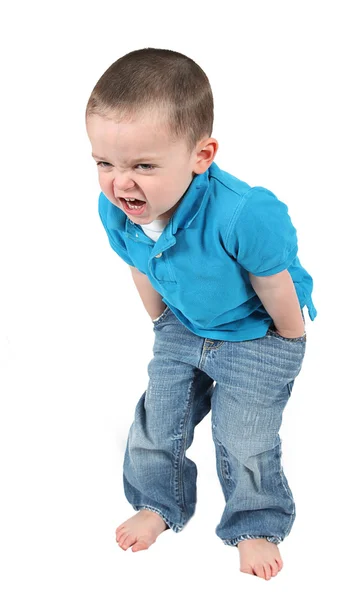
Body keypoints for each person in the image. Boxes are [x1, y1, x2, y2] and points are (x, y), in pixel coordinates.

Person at [85, 47, 317, 581]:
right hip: (184, 325)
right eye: (105, 163)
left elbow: (272, 282)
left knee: (245, 435)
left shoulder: (244, 212)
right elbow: (139, 264)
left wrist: (289, 337)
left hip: (257, 332)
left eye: (143, 165)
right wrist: (162, 323)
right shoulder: (118, 208)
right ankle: (158, 503)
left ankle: (255, 522)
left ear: (201, 155)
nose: (121, 183)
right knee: (158, 417)